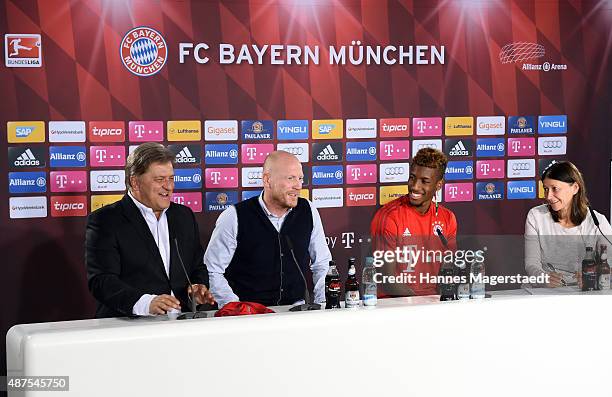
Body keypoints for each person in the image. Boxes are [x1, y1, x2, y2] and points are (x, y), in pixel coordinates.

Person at [86, 142, 214, 318]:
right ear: (135, 182)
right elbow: (102, 282)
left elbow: (197, 266)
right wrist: (146, 303)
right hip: (130, 325)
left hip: (183, 325)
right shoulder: (106, 220)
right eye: (160, 180)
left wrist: (197, 287)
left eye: (171, 178)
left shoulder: (183, 216)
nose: (168, 187)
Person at [205, 151, 331, 308]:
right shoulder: (234, 216)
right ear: (267, 180)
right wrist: (235, 308)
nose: (298, 186)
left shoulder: (308, 210)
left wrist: (323, 303)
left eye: (300, 179)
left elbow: (322, 263)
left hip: (297, 312)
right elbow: (212, 270)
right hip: (249, 315)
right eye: (290, 178)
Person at [370, 148, 457, 296]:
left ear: (439, 184)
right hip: (394, 305)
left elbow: (449, 270)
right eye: (412, 177)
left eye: (425, 181)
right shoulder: (389, 217)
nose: (415, 186)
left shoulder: (447, 218)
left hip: (433, 303)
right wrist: (420, 304)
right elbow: (387, 280)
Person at [525, 161, 612, 287]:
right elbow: (531, 264)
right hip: (544, 292)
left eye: (555, 189)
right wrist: (543, 278)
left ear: (575, 188)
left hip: (583, 292)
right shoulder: (536, 216)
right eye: (546, 189)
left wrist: (595, 276)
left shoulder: (598, 221)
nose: (548, 196)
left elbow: (610, 264)